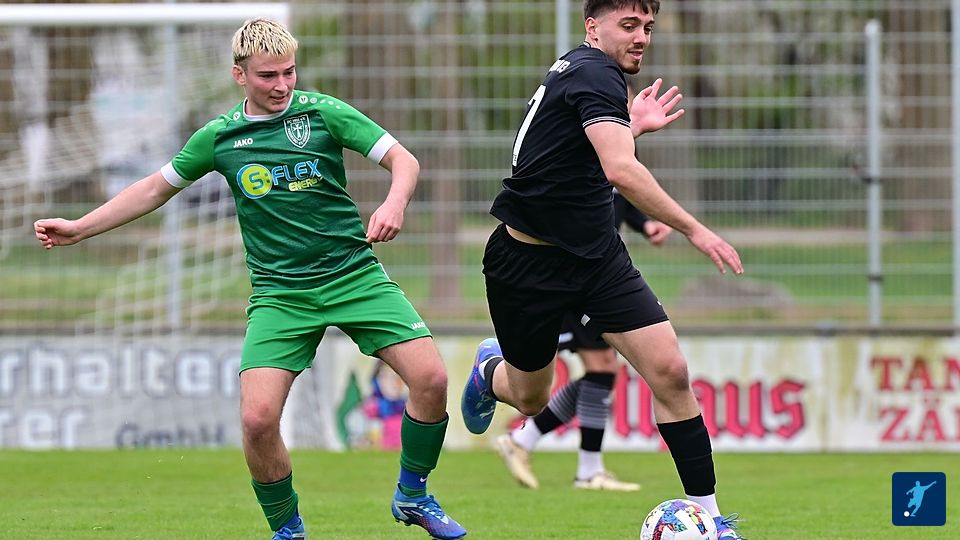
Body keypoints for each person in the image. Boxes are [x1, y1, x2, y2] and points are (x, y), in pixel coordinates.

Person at [34, 18, 465, 540]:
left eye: (289, 72)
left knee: (431, 379)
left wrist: (394, 202)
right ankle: (288, 530)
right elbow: (153, 189)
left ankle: (413, 495)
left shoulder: (324, 113)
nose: (282, 85)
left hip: (354, 275)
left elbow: (403, 160)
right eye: (268, 75)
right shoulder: (220, 137)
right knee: (258, 420)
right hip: (281, 295)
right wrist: (80, 227)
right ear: (240, 75)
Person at [460, 1, 745, 538]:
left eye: (648, 27)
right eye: (629, 25)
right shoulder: (595, 72)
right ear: (593, 27)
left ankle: (709, 516)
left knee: (670, 372)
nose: (641, 38)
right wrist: (695, 229)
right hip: (527, 263)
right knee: (530, 397)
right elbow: (620, 170)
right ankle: (488, 372)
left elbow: (575, 154)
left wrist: (629, 127)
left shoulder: (595, 76)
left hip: (596, 260)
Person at [495, 193, 672, 492]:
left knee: (602, 371)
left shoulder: (615, 163)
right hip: (572, 271)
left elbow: (617, 194)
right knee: (600, 368)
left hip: (595, 270)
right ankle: (584, 468)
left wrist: (643, 224)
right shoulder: (577, 162)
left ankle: (528, 441)